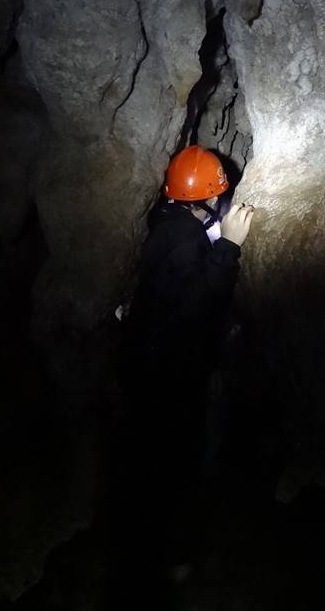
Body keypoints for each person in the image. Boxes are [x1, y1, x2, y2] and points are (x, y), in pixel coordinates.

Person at [117, 144, 254, 595]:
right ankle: (170, 560)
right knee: (177, 462)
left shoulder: (167, 225)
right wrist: (230, 247)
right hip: (169, 371)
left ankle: (156, 553)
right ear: (210, 199)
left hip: (151, 363)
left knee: (157, 461)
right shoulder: (183, 238)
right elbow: (195, 303)